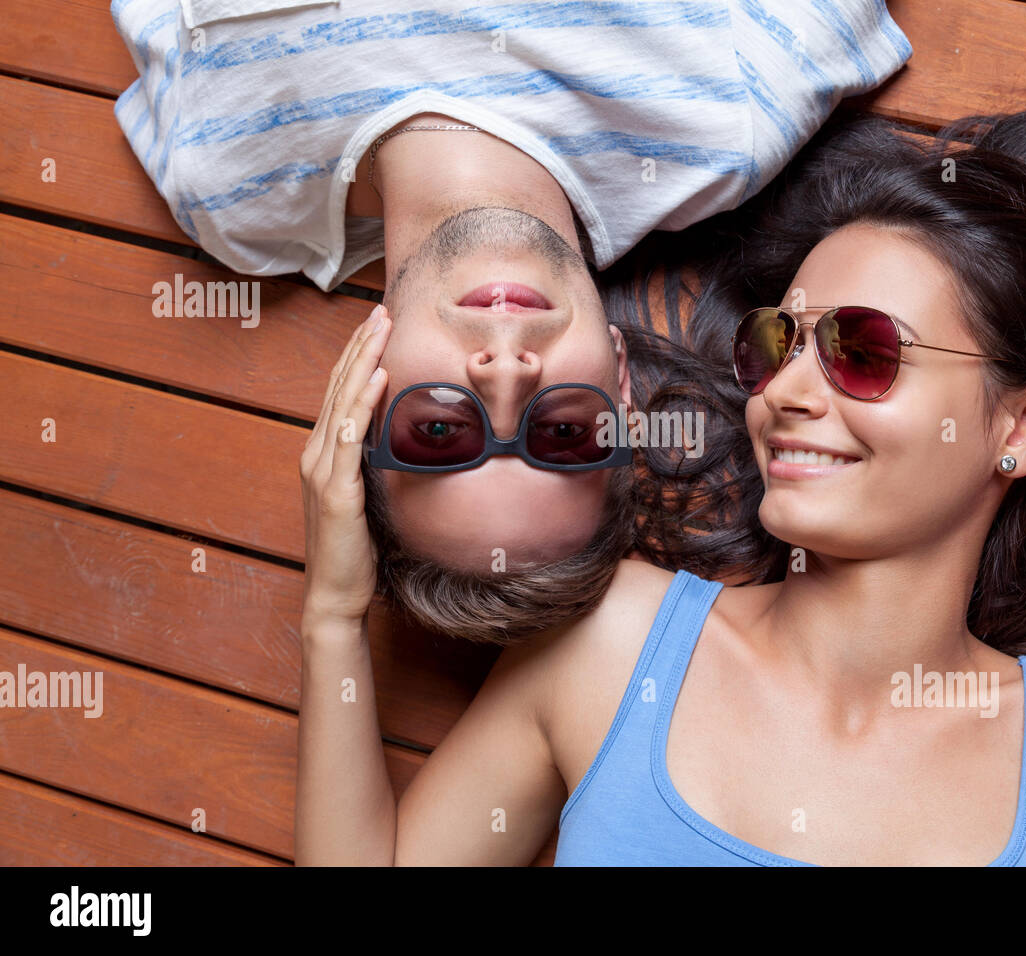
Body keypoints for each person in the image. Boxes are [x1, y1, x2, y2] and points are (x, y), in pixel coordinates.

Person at [295, 108, 1026, 865]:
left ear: (1021, 428)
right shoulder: (612, 647)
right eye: (776, 343)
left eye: (863, 352)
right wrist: (335, 613)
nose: (784, 391)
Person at [111, 0, 913, 639]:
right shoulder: (729, 115)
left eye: (439, 431)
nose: (505, 375)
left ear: (358, 398)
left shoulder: (227, 191)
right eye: (564, 433)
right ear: (622, 384)